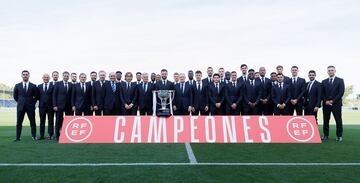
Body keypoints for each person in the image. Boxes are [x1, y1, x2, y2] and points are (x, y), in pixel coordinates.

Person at [321, 66, 345, 141]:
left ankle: (339, 136)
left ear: (335, 71)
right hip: (326, 104)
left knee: (338, 120)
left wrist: (332, 101)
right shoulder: (324, 81)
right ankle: (325, 135)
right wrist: (325, 101)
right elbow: (322, 93)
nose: (330, 71)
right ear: (327, 72)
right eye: (329, 70)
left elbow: (341, 92)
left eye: (332, 70)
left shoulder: (340, 80)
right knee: (325, 120)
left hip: (336, 104)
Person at [13, 70, 38, 141]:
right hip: (20, 107)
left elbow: (36, 96)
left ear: (29, 76)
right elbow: (15, 96)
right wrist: (21, 102)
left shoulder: (33, 86)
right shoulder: (17, 85)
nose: (25, 76)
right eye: (24, 74)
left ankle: (34, 136)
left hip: (30, 107)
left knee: (32, 122)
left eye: (26, 74)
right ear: (21, 76)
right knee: (19, 123)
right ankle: (18, 137)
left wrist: (32, 104)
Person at [53, 71, 73, 140]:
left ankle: (68, 135)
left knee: (68, 121)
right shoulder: (58, 84)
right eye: (65, 76)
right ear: (62, 76)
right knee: (58, 121)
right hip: (59, 106)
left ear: (69, 77)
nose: (66, 77)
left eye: (67, 76)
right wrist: (54, 105)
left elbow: (72, 96)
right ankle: (57, 136)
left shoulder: (71, 84)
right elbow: (54, 95)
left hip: (69, 106)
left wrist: (72, 105)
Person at [38, 73, 54, 140]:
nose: (46, 78)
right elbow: (37, 96)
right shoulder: (39, 86)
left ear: (49, 78)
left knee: (50, 121)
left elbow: (54, 96)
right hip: (42, 107)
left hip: (50, 106)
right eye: (45, 77)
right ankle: (42, 136)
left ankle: (50, 135)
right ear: (42, 78)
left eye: (47, 77)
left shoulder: (53, 86)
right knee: (42, 121)